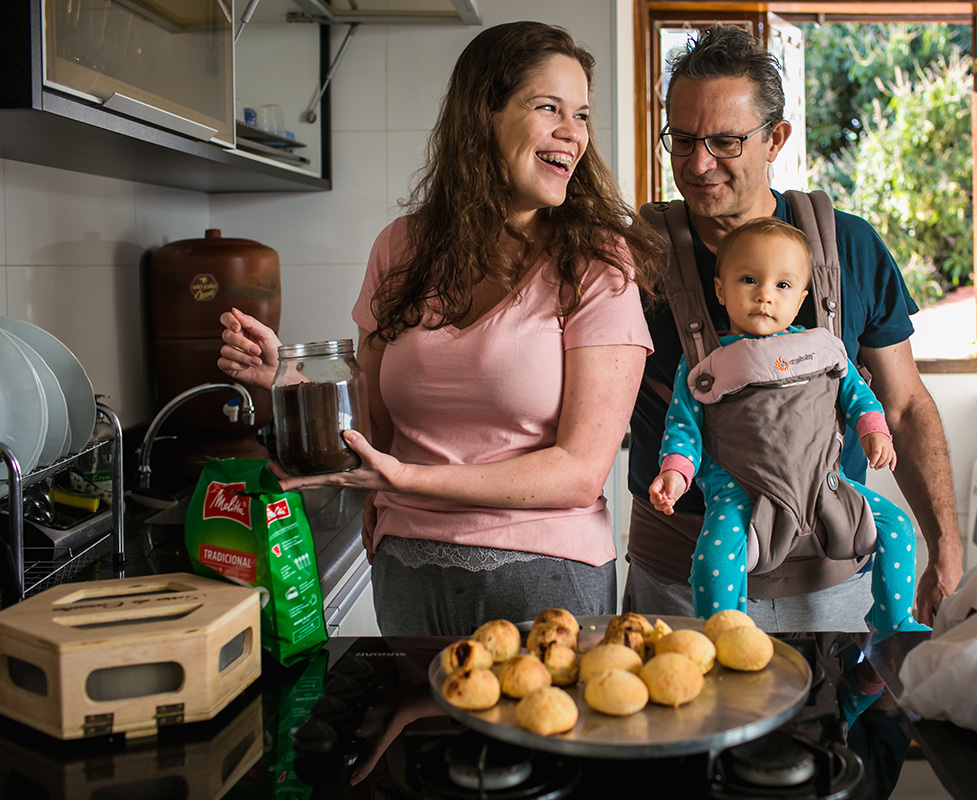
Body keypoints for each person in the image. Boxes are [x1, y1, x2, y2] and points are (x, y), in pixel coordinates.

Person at [217, 21, 663, 637]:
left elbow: (579, 471)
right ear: (484, 115)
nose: (574, 133)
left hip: (546, 573)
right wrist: (289, 381)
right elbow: (369, 422)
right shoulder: (401, 247)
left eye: (581, 114)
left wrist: (408, 479)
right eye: (548, 107)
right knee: (417, 734)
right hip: (409, 566)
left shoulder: (597, 262)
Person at [626, 24, 962, 633]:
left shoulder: (850, 247)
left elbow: (904, 405)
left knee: (843, 727)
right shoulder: (633, 258)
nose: (699, 163)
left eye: (726, 142)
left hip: (832, 591)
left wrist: (946, 545)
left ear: (775, 138)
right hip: (677, 590)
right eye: (682, 139)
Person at [648, 217, 922, 643]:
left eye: (782, 286)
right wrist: (675, 473)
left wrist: (875, 432)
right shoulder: (707, 361)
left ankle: (895, 623)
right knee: (712, 557)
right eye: (749, 280)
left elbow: (857, 395)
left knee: (899, 528)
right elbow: (684, 426)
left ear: (801, 300)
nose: (764, 295)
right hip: (741, 492)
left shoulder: (821, 348)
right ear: (721, 290)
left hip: (827, 486)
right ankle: (723, 636)